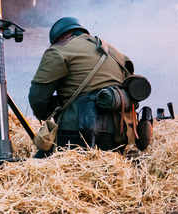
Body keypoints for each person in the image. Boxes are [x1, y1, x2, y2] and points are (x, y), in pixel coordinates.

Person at [29, 16, 138, 156]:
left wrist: (51, 113)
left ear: (59, 37)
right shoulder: (116, 53)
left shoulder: (58, 50)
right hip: (119, 134)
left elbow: (37, 99)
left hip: (77, 132)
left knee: (38, 169)